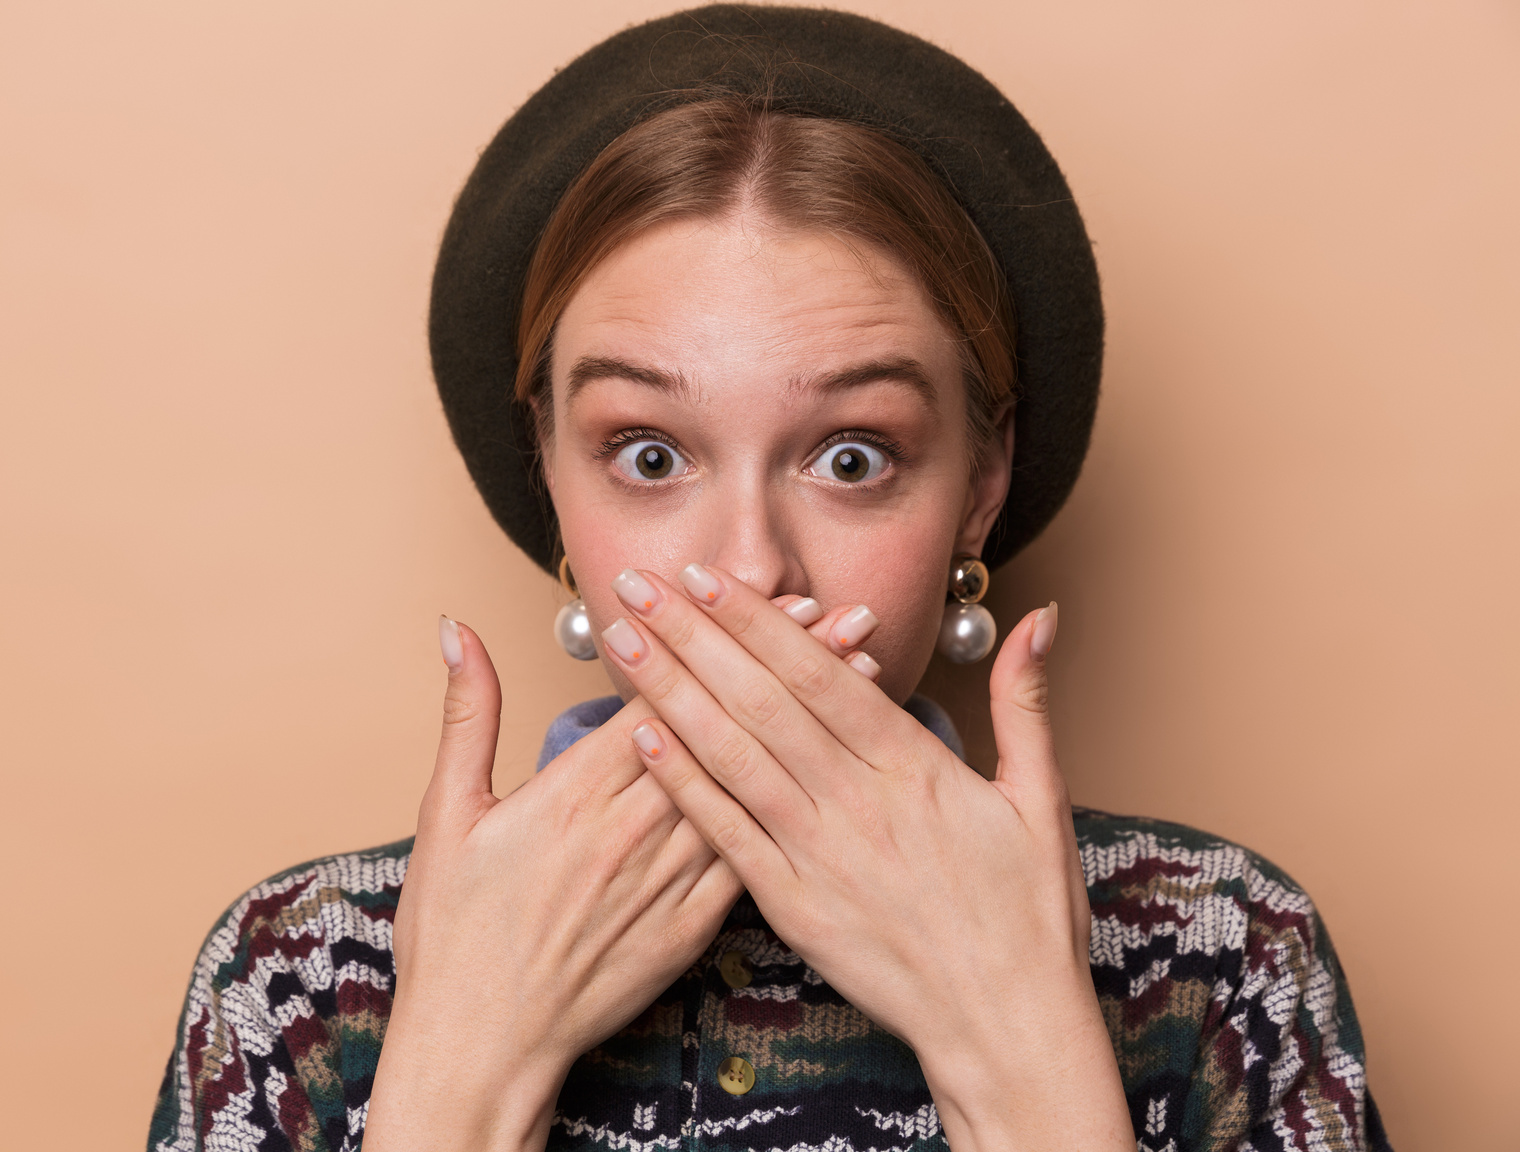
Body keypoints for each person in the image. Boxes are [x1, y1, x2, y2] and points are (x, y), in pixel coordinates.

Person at [148, 8, 1390, 1151]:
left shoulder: (1217, 957)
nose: (750, 566)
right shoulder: (302, 980)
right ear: (550, 483)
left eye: (854, 457)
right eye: (648, 454)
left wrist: (1013, 1045)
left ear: (982, 482)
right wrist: (463, 1067)